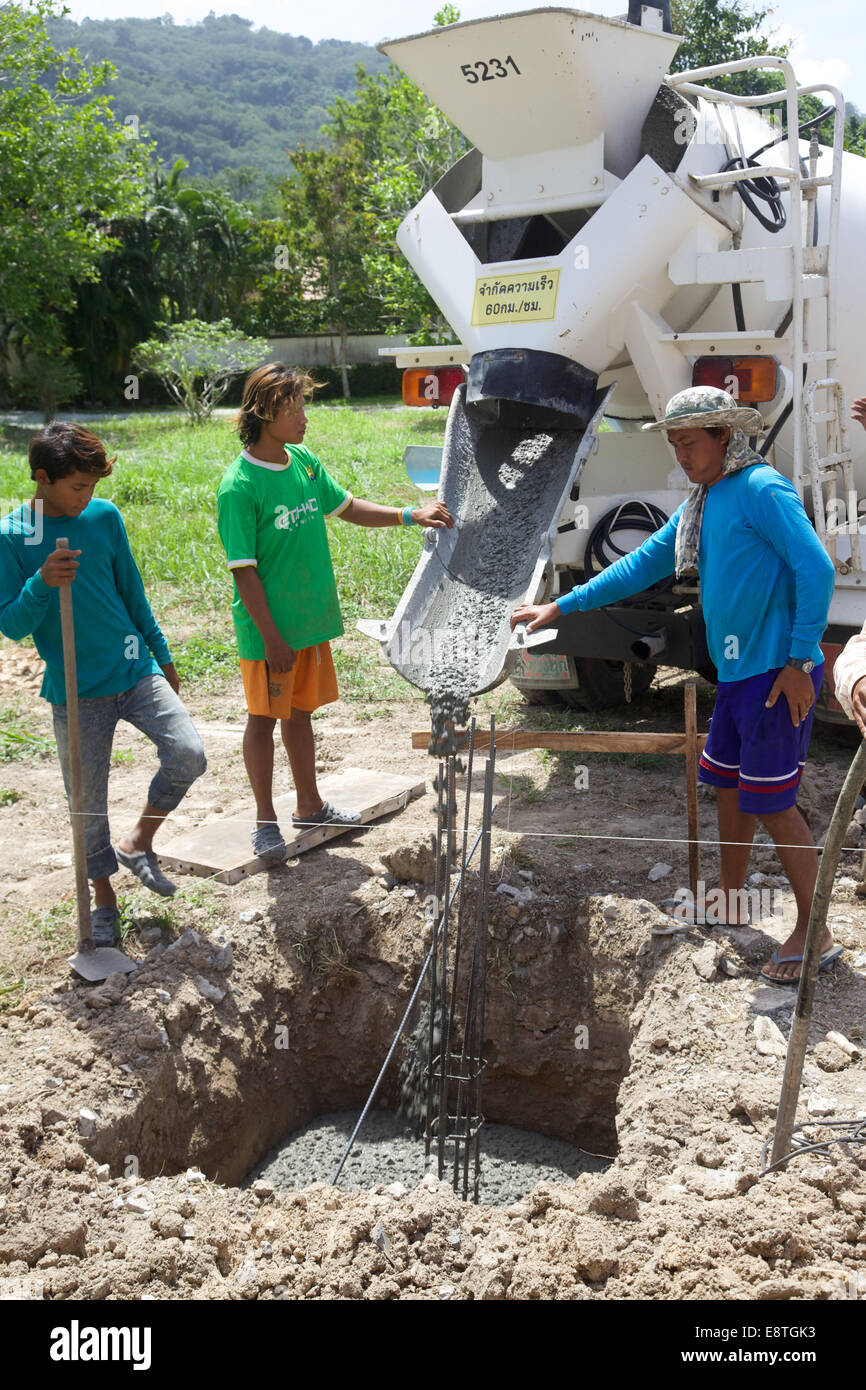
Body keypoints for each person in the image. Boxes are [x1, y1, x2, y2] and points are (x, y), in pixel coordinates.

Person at [511, 386, 839, 986]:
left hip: (774, 673)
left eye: (689, 443)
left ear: (724, 437)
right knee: (734, 790)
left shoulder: (761, 489)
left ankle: (815, 930)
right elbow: (640, 565)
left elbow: (814, 567)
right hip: (740, 674)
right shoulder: (703, 503)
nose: (681, 455)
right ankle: (733, 901)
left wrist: (798, 662)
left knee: (774, 802)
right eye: (674, 444)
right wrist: (559, 608)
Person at [217, 362, 453, 862]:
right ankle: (264, 822)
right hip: (270, 634)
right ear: (264, 412)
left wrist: (410, 514)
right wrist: (271, 638)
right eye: (292, 407)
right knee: (263, 718)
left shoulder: (302, 461)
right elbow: (244, 571)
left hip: (308, 626)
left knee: (299, 714)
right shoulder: (239, 486)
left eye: (303, 404)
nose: (303, 416)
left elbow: (346, 507)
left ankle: (310, 805)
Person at [0, 423, 206, 946]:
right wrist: (41, 581)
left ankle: (138, 843)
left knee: (188, 753)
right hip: (76, 686)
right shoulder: (13, 535)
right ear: (43, 479)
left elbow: (131, 592)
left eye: (92, 486)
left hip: (134, 669)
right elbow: (12, 623)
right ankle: (104, 899)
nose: (86, 497)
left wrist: (161, 654)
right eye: (77, 487)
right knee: (86, 801)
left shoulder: (103, 517)